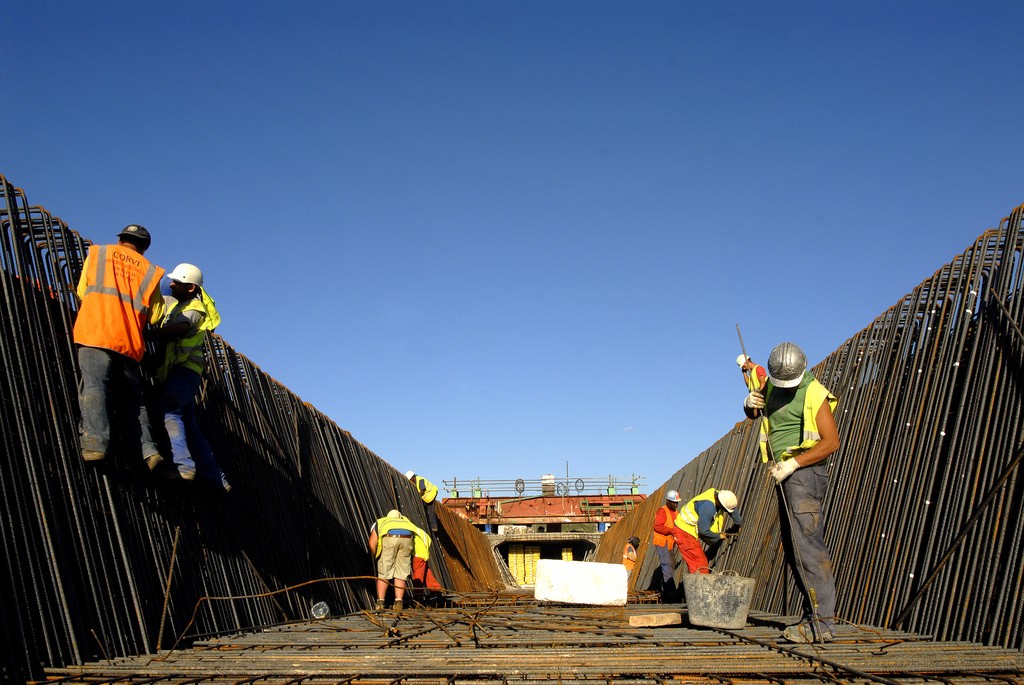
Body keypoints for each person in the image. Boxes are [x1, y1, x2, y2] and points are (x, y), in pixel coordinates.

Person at [743, 341, 840, 644]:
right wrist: (749, 406)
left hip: (805, 474)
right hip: (786, 476)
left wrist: (793, 463)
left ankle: (822, 623)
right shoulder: (769, 385)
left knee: (807, 549)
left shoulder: (813, 392)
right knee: (794, 547)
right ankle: (811, 617)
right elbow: (755, 391)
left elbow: (832, 442)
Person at [74, 224, 166, 468]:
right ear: (144, 248)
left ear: (121, 239)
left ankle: (95, 445)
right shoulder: (151, 272)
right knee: (134, 403)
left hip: (95, 333)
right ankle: (148, 452)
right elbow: (156, 316)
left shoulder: (98, 254)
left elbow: (83, 291)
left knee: (95, 387)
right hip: (128, 343)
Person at [147, 263, 230, 490]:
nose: (172, 284)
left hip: (184, 373)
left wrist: (151, 334)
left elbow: (179, 329)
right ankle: (216, 479)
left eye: (178, 282)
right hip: (183, 373)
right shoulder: (179, 304)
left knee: (170, 414)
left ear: (191, 287)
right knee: (190, 426)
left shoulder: (194, 308)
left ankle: (184, 468)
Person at [673, 489, 742, 574]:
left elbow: (730, 507)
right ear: (721, 504)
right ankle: (699, 586)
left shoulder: (720, 496)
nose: (725, 511)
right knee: (699, 564)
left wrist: (739, 522)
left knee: (701, 563)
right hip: (683, 530)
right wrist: (719, 536)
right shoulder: (708, 507)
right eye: (725, 509)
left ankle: (699, 585)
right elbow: (703, 531)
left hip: (688, 529)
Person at [367, 509, 419, 611]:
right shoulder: (406, 522)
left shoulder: (382, 522)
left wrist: (371, 558)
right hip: (407, 539)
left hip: (390, 538)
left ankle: (381, 602)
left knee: (384, 571)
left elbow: (372, 543)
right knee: (401, 573)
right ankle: (399, 602)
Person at [651, 489, 683, 600]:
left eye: (677, 502)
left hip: (670, 543)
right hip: (662, 542)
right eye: (674, 502)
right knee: (667, 565)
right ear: (668, 501)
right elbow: (657, 526)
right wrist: (671, 531)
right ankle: (669, 592)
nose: (676, 504)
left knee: (670, 565)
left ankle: (668, 591)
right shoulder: (662, 511)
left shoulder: (676, 513)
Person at [411, 526, 443, 599]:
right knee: (425, 572)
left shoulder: (410, 530)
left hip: (417, 554)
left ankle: (418, 593)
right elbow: (429, 540)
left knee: (418, 573)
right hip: (424, 554)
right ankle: (435, 589)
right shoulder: (420, 531)